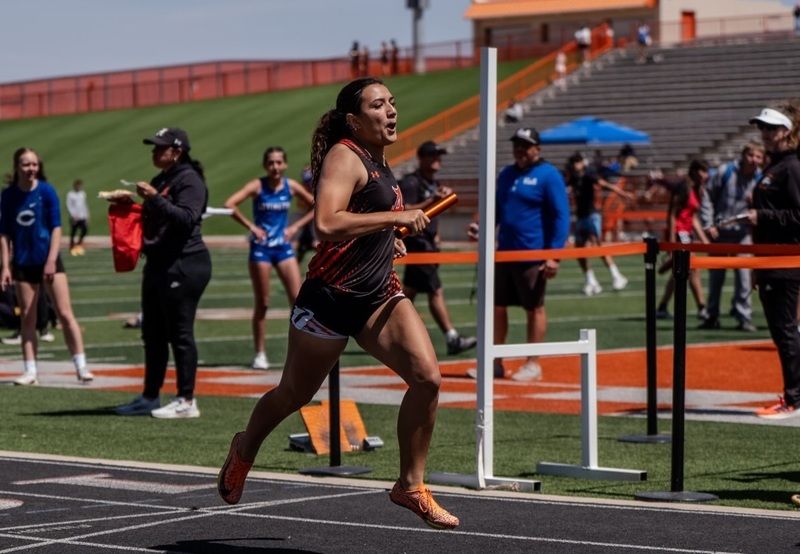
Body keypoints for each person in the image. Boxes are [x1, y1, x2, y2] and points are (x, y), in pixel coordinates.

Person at [217, 77, 459, 530]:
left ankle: (409, 485)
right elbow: (326, 223)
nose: (390, 111)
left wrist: (388, 239)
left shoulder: (380, 161)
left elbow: (362, 221)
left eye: (392, 103)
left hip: (377, 296)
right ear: (353, 119)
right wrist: (395, 217)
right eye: (378, 105)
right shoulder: (344, 155)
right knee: (294, 395)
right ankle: (244, 447)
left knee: (428, 378)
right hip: (329, 299)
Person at [114, 127, 212, 419]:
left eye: (160, 147)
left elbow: (187, 218)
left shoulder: (190, 180)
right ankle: (150, 396)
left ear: (177, 151)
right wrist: (128, 205)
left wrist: (155, 198)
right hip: (159, 263)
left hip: (184, 263)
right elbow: (154, 219)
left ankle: (186, 399)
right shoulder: (162, 179)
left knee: (180, 333)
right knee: (153, 334)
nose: (154, 152)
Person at [467, 127, 570, 381]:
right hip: (504, 253)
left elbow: (561, 217)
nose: (520, 151)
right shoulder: (507, 174)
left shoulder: (549, 175)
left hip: (533, 255)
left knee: (534, 307)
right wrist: (481, 227)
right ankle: (495, 362)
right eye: (517, 145)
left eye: (525, 145)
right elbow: (497, 210)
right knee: (498, 308)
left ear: (537, 148)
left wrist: (554, 255)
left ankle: (533, 364)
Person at [0, 147, 93, 386]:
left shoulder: (46, 191)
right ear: (17, 167)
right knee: (28, 319)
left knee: (65, 313)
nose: (31, 169)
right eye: (25, 164)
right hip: (22, 262)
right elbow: (4, 234)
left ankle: (81, 366)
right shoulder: (8, 195)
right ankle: (30, 371)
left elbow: (56, 227)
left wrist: (51, 260)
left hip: (48, 260)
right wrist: (5, 266)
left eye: (34, 164)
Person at [223, 147, 314, 370]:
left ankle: (301, 351)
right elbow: (229, 204)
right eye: (271, 163)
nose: (275, 167)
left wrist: (295, 227)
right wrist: (251, 226)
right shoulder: (258, 185)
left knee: (297, 300)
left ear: (285, 165)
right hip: (261, 249)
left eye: (279, 162)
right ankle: (260, 353)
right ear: (266, 165)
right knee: (263, 303)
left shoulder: (290, 186)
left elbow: (317, 204)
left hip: (283, 247)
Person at [744, 103, 800, 420]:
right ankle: (794, 393)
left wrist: (761, 214)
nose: (764, 133)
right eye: (761, 128)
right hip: (768, 258)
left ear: (785, 132)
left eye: (770, 128)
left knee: (786, 330)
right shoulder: (774, 166)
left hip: (785, 258)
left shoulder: (791, 168)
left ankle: (793, 397)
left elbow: (798, 215)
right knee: (782, 332)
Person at [399, 140, 476, 356]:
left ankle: (391, 330)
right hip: (418, 244)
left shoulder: (433, 182)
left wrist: (437, 234)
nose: (437, 159)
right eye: (433, 156)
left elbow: (431, 214)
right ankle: (452, 337)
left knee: (409, 292)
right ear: (421, 158)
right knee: (435, 290)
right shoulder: (412, 183)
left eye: (439, 156)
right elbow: (403, 210)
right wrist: (433, 200)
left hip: (428, 243)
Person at [698, 142, 764, 331]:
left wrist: (756, 202)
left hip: (742, 234)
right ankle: (712, 315)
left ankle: (743, 315)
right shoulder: (725, 172)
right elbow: (707, 197)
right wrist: (708, 224)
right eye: (751, 155)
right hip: (720, 232)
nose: (754, 160)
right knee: (716, 277)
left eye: (758, 157)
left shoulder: (760, 178)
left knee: (744, 277)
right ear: (743, 155)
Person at [565, 152, 633, 296]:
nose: (575, 165)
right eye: (573, 162)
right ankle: (591, 280)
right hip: (581, 216)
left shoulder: (589, 175)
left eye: (577, 162)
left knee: (598, 245)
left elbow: (604, 184)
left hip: (591, 215)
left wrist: (622, 193)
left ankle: (617, 276)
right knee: (579, 250)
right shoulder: (572, 179)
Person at [655, 160, 711, 320]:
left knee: (679, 272)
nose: (705, 175)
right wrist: (672, 241)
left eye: (707, 172)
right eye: (703, 171)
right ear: (694, 171)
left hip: (687, 234)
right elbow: (672, 214)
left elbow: (693, 217)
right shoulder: (683, 187)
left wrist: (704, 240)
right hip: (679, 233)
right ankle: (702, 307)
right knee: (692, 268)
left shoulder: (697, 189)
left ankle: (662, 306)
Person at [293, 165, 319, 262]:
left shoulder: (317, 189)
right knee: (302, 248)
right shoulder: (305, 190)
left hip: (314, 223)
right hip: (309, 223)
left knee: (315, 244)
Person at [66, 178, 89, 255]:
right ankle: (72, 245)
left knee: (84, 229)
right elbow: (69, 205)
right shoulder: (70, 194)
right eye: (78, 186)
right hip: (74, 217)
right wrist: (73, 214)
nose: (79, 187)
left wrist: (86, 215)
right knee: (73, 231)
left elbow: (84, 205)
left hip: (82, 216)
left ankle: (79, 242)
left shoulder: (82, 194)